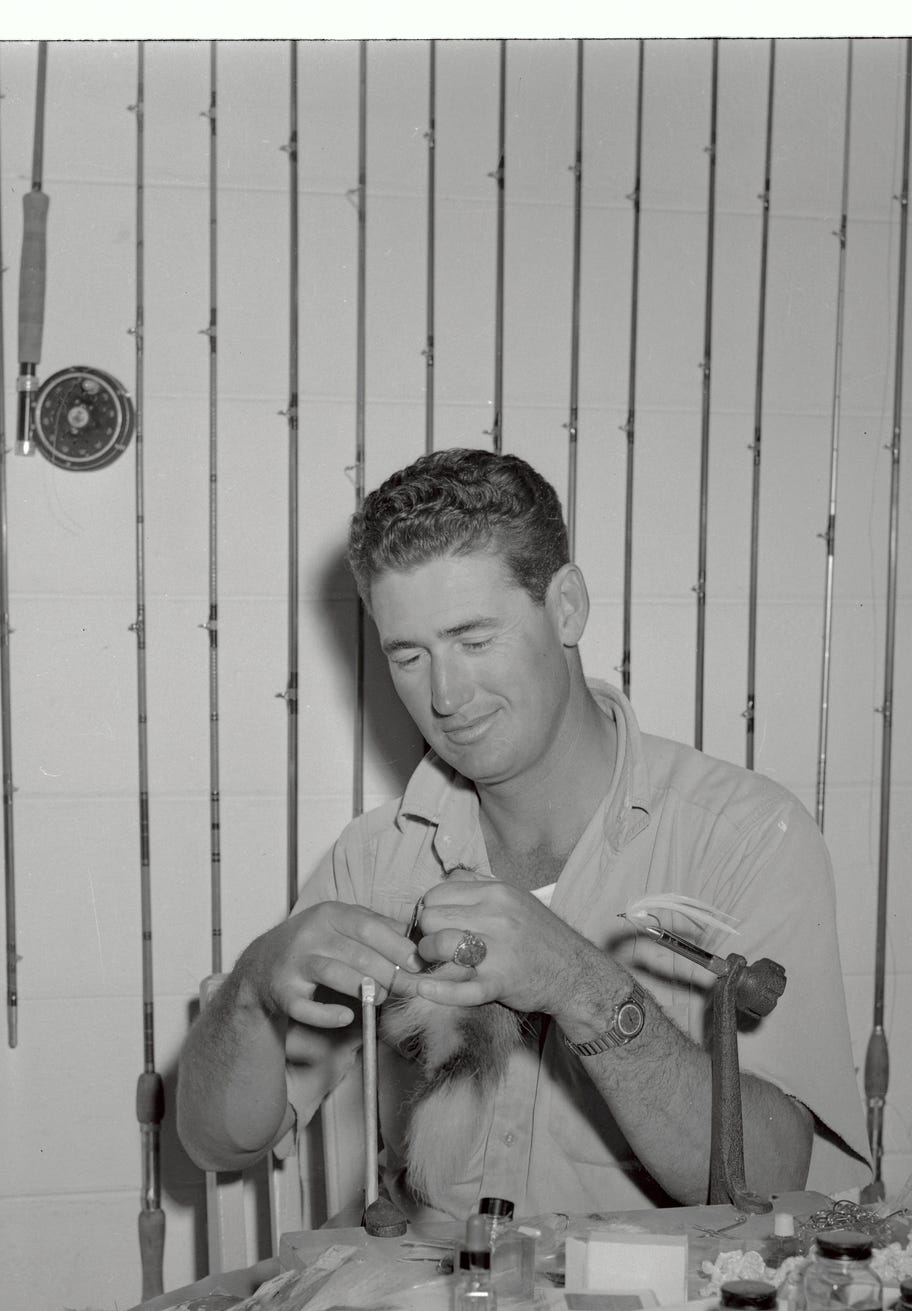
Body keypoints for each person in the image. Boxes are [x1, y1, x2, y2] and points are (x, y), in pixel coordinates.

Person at [177, 449, 867, 1221]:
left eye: (474, 640)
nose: (445, 695)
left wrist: (579, 983)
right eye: (409, 655)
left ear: (566, 606)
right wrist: (249, 988)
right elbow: (217, 1145)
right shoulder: (377, 859)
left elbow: (777, 1182)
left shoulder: (746, 838)